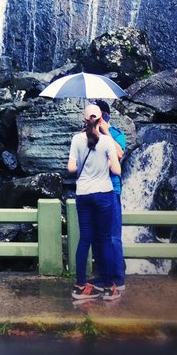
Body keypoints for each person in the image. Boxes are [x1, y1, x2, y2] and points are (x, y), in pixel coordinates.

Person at [67, 103, 123, 302]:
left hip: (83, 194)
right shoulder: (107, 141)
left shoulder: (76, 139)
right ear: (101, 119)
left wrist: (84, 163)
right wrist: (106, 162)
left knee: (85, 240)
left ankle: (80, 286)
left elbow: (71, 168)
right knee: (106, 239)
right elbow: (117, 171)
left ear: (84, 119)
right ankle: (109, 288)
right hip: (104, 194)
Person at [95, 98, 126, 293]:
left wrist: (105, 132)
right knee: (99, 236)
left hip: (111, 191)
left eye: (96, 115)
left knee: (113, 236)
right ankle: (104, 275)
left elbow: (120, 154)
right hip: (93, 190)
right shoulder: (89, 135)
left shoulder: (116, 134)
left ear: (105, 116)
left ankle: (118, 279)